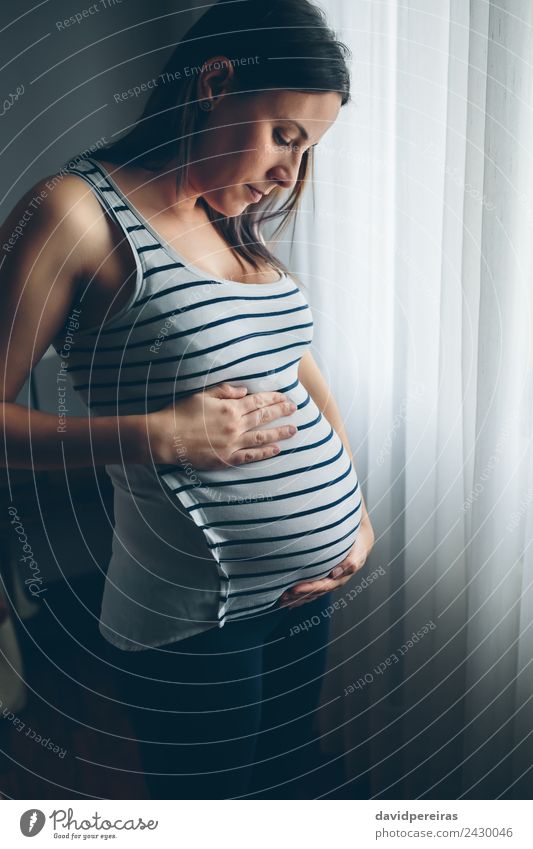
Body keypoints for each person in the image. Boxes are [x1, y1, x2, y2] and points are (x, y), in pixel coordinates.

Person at [0, 0, 375, 798]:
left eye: (306, 153)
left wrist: (355, 513)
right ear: (213, 82)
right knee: (212, 806)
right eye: (285, 137)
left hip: (306, 594)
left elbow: (295, 367)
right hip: (194, 623)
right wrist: (160, 433)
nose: (288, 175)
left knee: (280, 777)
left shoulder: (226, 219)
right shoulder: (76, 211)